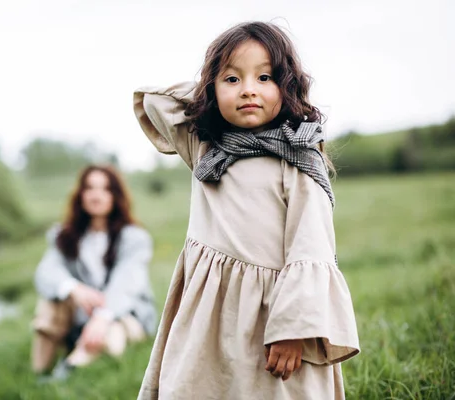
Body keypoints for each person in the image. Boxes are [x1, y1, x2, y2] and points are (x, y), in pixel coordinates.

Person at [132, 22, 360, 399]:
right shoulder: (207, 145)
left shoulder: (300, 160)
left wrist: (293, 330)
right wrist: (209, 95)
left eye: (265, 76)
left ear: (287, 86)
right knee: (202, 385)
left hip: (275, 313)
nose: (249, 89)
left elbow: (312, 248)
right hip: (209, 311)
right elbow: (157, 102)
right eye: (233, 79)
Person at [31, 165, 157, 381]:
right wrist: (74, 288)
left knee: (111, 339)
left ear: (115, 196)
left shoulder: (134, 238)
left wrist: (103, 316)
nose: (96, 195)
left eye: (105, 189)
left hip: (124, 314)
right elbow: (46, 272)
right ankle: (40, 371)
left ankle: (66, 371)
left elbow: (126, 283)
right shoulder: (65, 236)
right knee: (48, 305)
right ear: (80, 194)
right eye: (90, 188)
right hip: (82, 314)